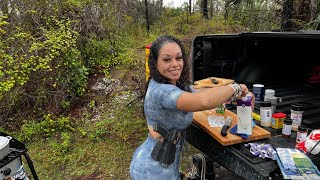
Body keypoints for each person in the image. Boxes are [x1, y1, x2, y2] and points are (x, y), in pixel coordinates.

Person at [129, 34, 254, 179]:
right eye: (167, 59)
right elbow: (202, 101)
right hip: (152, 171)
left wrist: (232, 95)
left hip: (161, 163)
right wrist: (237, 88)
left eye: (179, 58)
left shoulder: (167, 83)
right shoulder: (162, 91)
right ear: (155, 63)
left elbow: (197, 92)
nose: (175, 64)